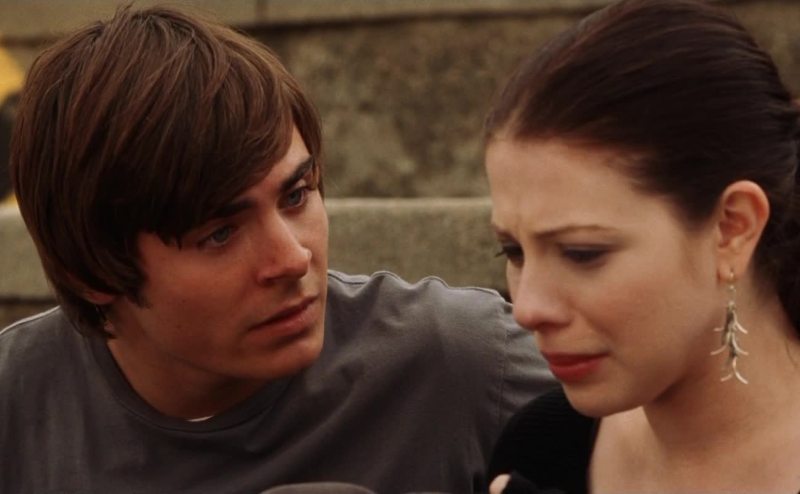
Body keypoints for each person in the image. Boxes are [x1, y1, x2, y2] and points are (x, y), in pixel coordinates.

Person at [0, 6, 555, 494]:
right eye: (220, 233)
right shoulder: (16, 407)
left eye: (296, 195)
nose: (293, 259)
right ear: (92, 271)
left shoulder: (463, 361)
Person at [482, 0, 800, 493]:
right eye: (514, 252)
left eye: (583, 253)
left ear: (731, 228)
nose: (527, 309)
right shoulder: (545, 446)